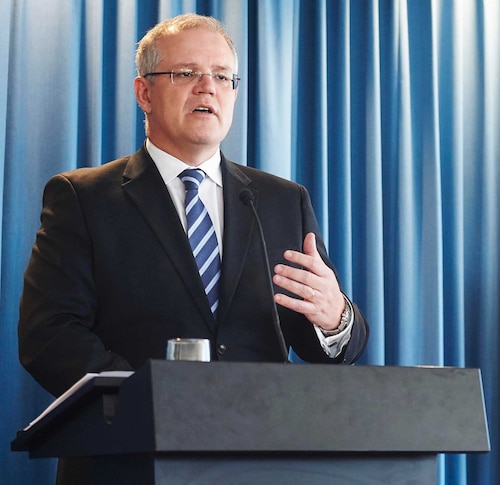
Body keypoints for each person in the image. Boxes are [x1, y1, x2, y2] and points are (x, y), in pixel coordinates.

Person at [18, 14, 368, 484]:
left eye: (223, 76)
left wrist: (334, 317)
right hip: (128, 459)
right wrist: (154, 402)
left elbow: (329, 348)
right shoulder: (83, 197)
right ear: (144, 92)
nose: (208, 87)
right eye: (186, 73)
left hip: (264, 459)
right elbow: (50, 334)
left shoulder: (284, 200)